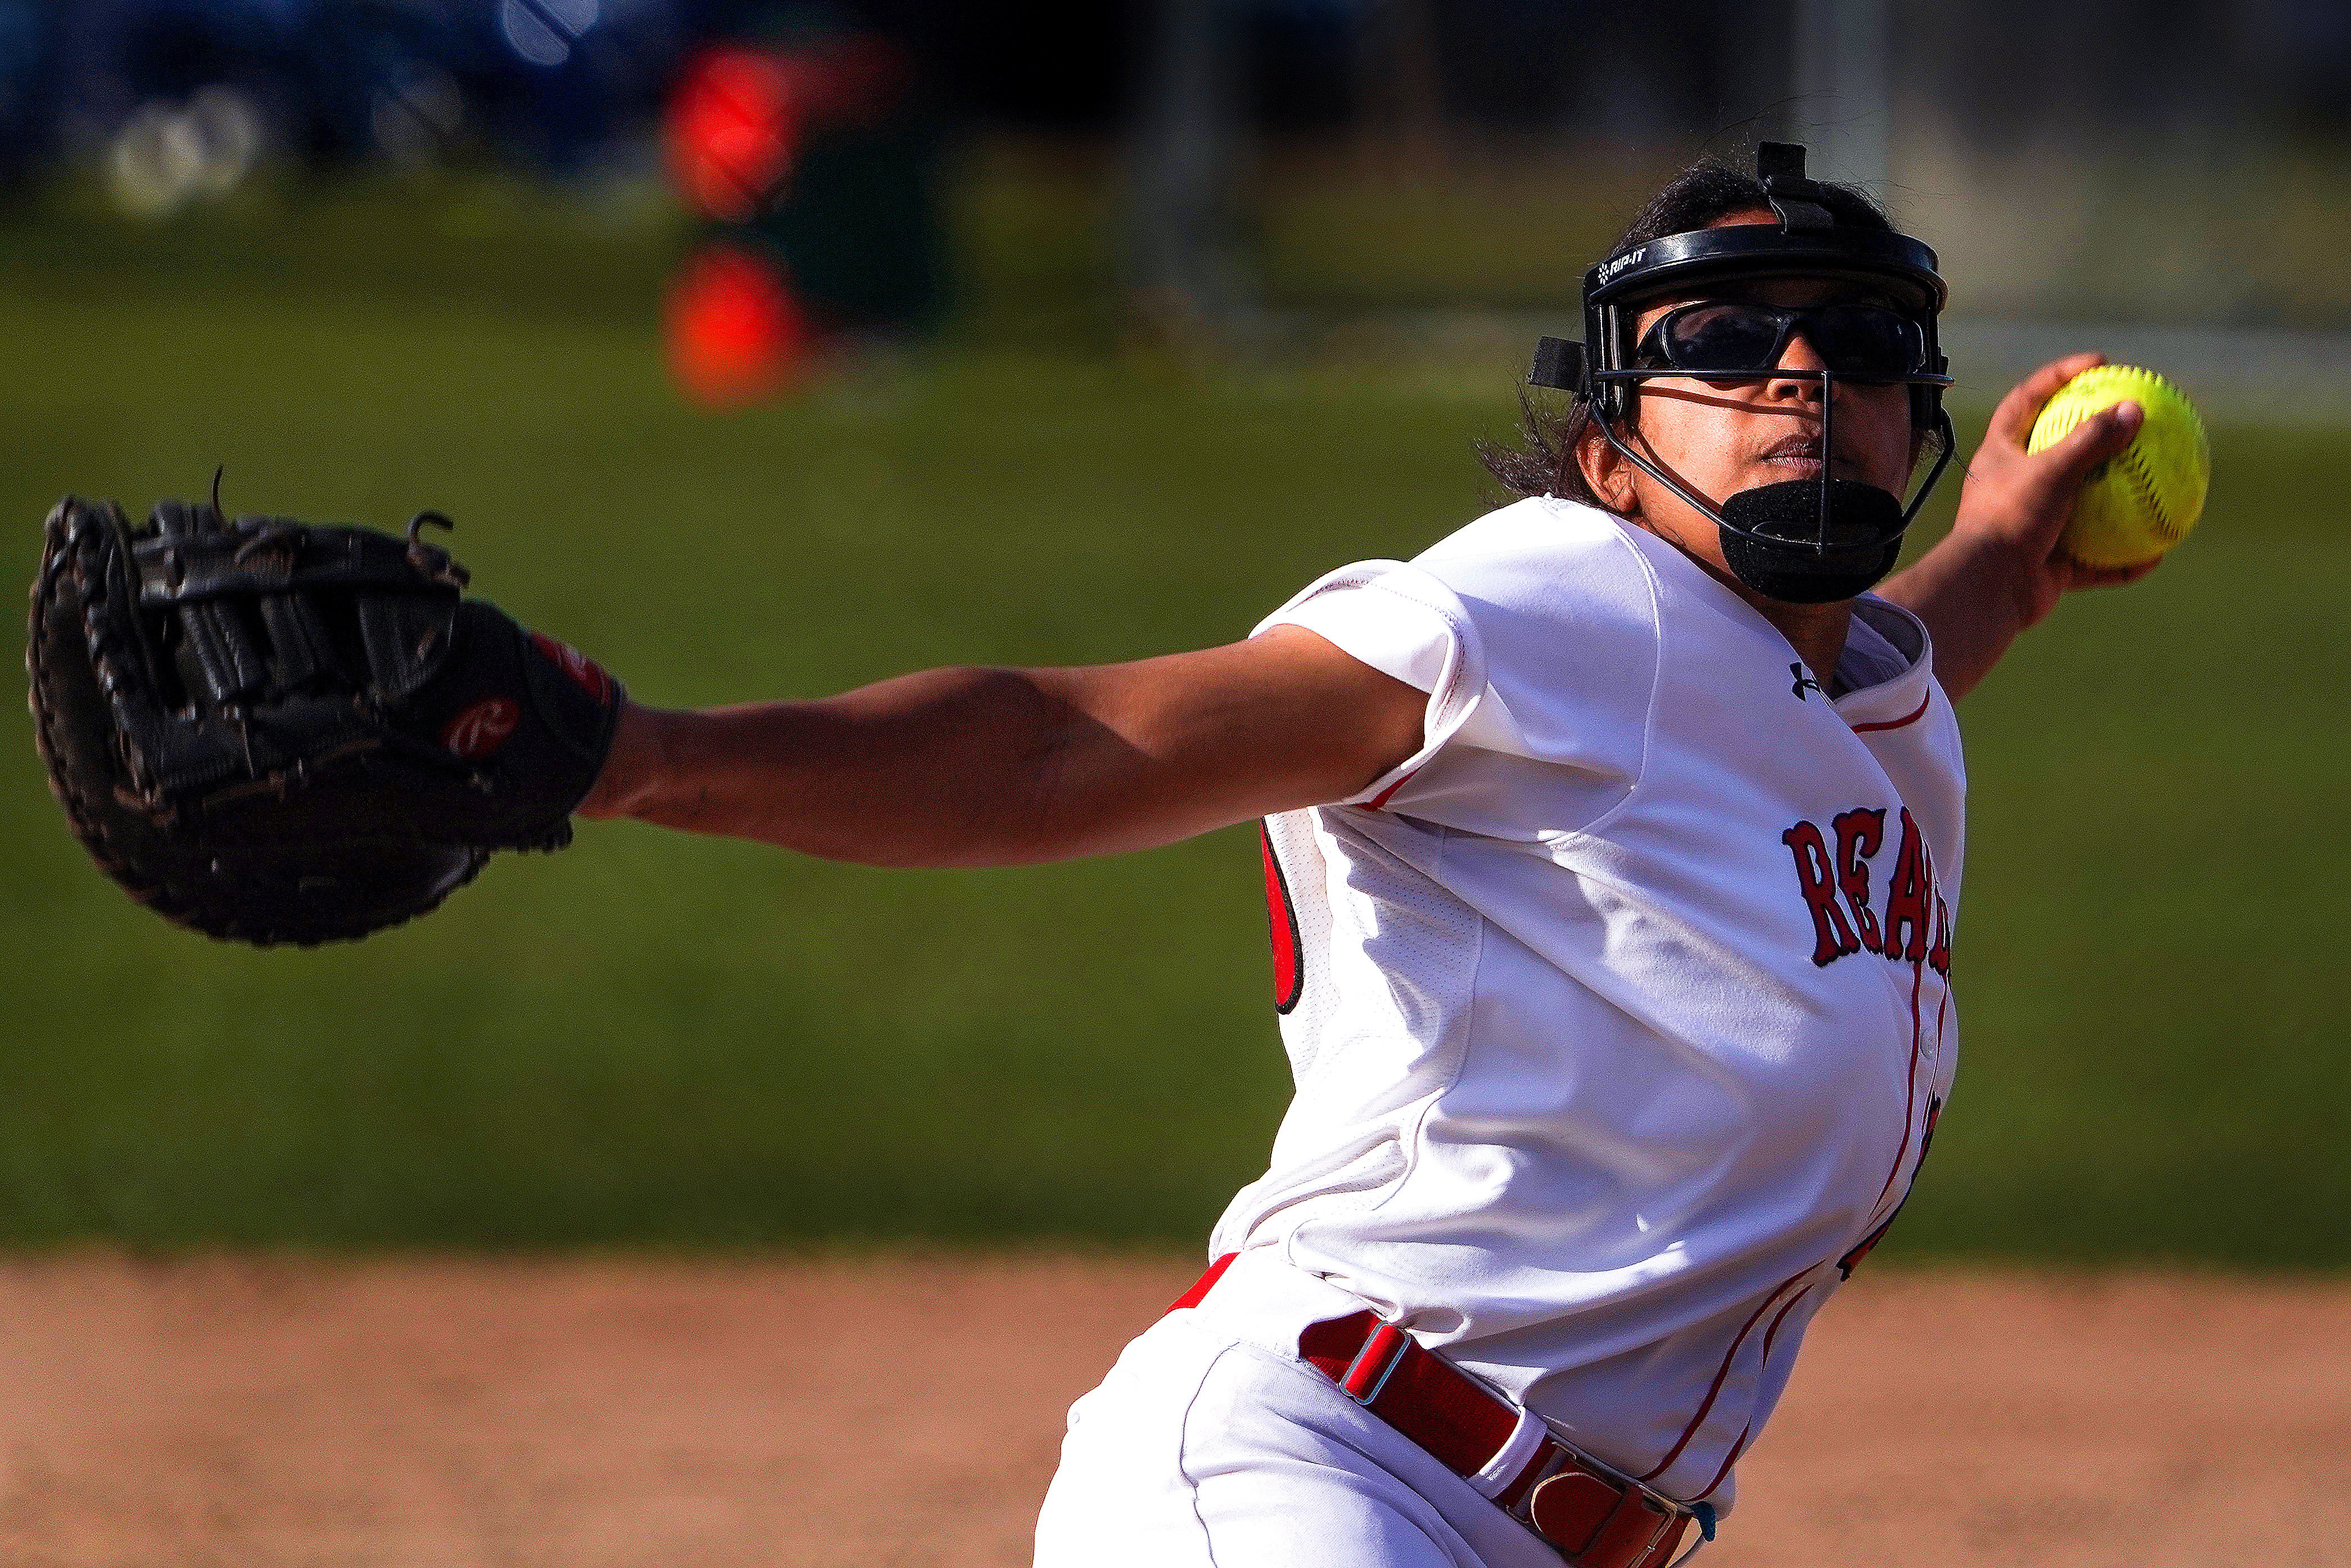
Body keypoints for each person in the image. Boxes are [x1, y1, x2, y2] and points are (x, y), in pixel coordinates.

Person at [574, 144, 2155, 1568]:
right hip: (1317, 1471)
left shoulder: (1854, 698)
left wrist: (2010, 556)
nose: (1802, 371)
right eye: (1727, 339)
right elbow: (1067, 741)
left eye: (1861, 340)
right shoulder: (1564, 599)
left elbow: (1875, 668)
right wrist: (647, 757)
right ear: (1610, 458)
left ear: (1917, 414)